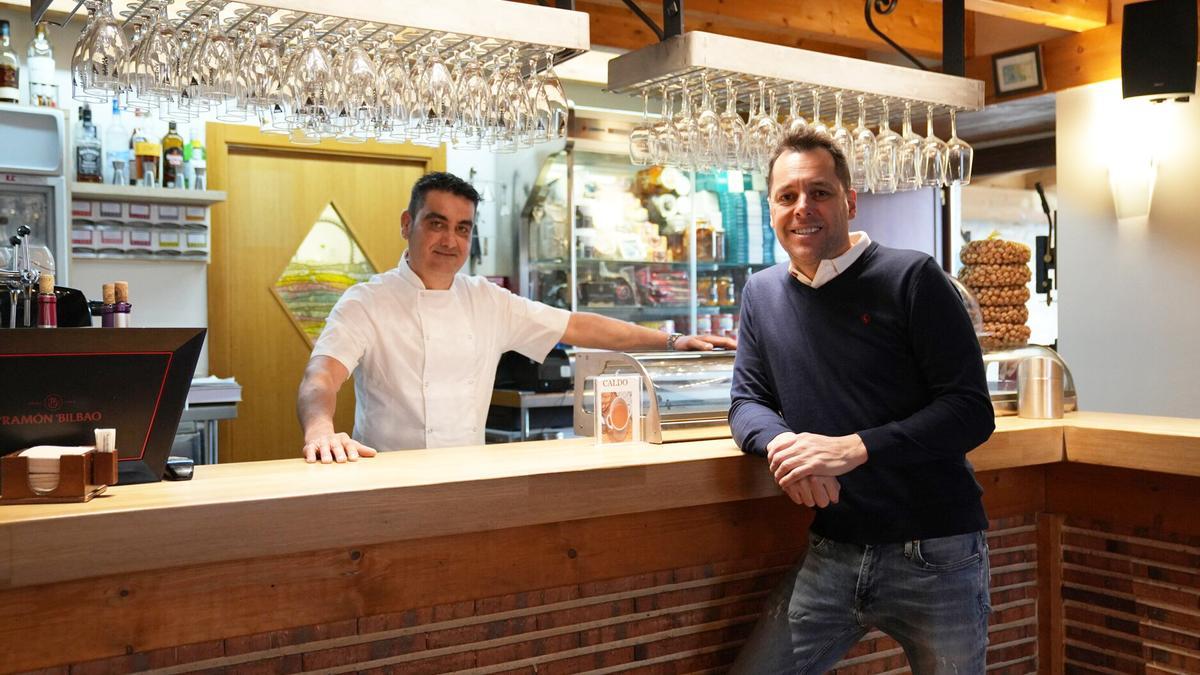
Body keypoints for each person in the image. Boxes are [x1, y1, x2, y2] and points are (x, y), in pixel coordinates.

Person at [726, 129, 996, 674]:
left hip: (936, 550)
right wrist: (784, 446)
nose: (803, 209)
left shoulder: (912, 277)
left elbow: (970, 410)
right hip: (833, 547)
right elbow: (746, 401)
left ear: (850, 201)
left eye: (820, 192)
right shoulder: (762, 292)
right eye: (787, 196)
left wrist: (854, 449)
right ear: (771, 207)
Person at [298, 172, 735, 463]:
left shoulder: (487, 300)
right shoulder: (366, 302)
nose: (450, 239)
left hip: (471, 478)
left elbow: (577, 325)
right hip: (387, 480)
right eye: (437, 223)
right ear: (406, 224)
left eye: (463, 228)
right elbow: (322, 375)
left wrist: (672, 342)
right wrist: (321, 430)